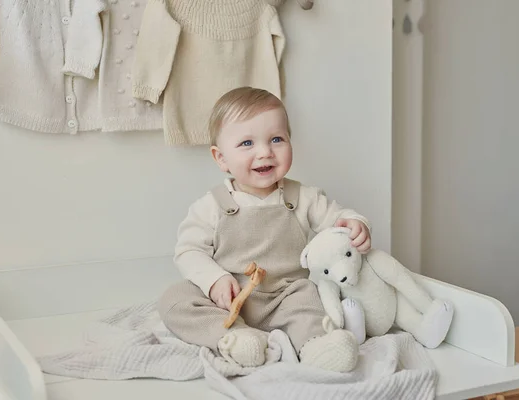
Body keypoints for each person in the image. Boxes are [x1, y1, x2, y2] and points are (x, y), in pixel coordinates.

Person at [158, 87, 372, 372]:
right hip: (230, 299)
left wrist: (355, 224)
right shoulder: (211, 205)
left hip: (287, 295)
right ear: (220, 158)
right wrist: (214, 279)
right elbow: (188, 251)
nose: (265, 152)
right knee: (175, 299)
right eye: (247, 143)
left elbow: (338, 218)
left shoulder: (302, 197)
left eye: (276, 139)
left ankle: (316, 346)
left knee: (310, 299)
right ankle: (235, 338)